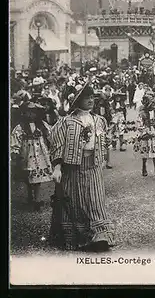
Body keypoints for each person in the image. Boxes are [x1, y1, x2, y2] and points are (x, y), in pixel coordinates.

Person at [48, 82, 115, 252]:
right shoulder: (66, 122)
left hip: (93, 166)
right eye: (87, 97)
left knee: (95, 200)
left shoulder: (99, 120)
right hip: (73, 168)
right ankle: (80, 238)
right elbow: (57, 145)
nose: (91, 100)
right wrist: (57, 168)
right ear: (78, 100)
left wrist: (104, 154)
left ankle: (100, 236)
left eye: (92, 97)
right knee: (76, 202)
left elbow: (105, 141)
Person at [10, 101, 53, 211]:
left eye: (34, 112)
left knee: (37, 177)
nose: (31, 115)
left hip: (39, 154)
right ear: (23, 113)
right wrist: (15, 151)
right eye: (28, 112)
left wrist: (52, 143)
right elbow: (16, 138)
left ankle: (37, 199)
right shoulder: (20, 127)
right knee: (28, 177)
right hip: (27, 153)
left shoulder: (42, 124)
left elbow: (50, 134)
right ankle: (30, 194)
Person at [133, 91, 155, 180]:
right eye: (152, 103)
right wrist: (145, 130)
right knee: (146, 151)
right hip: (147, 131)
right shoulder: (142, 112)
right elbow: (139, 123)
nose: (154, 104)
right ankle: (144, 165)